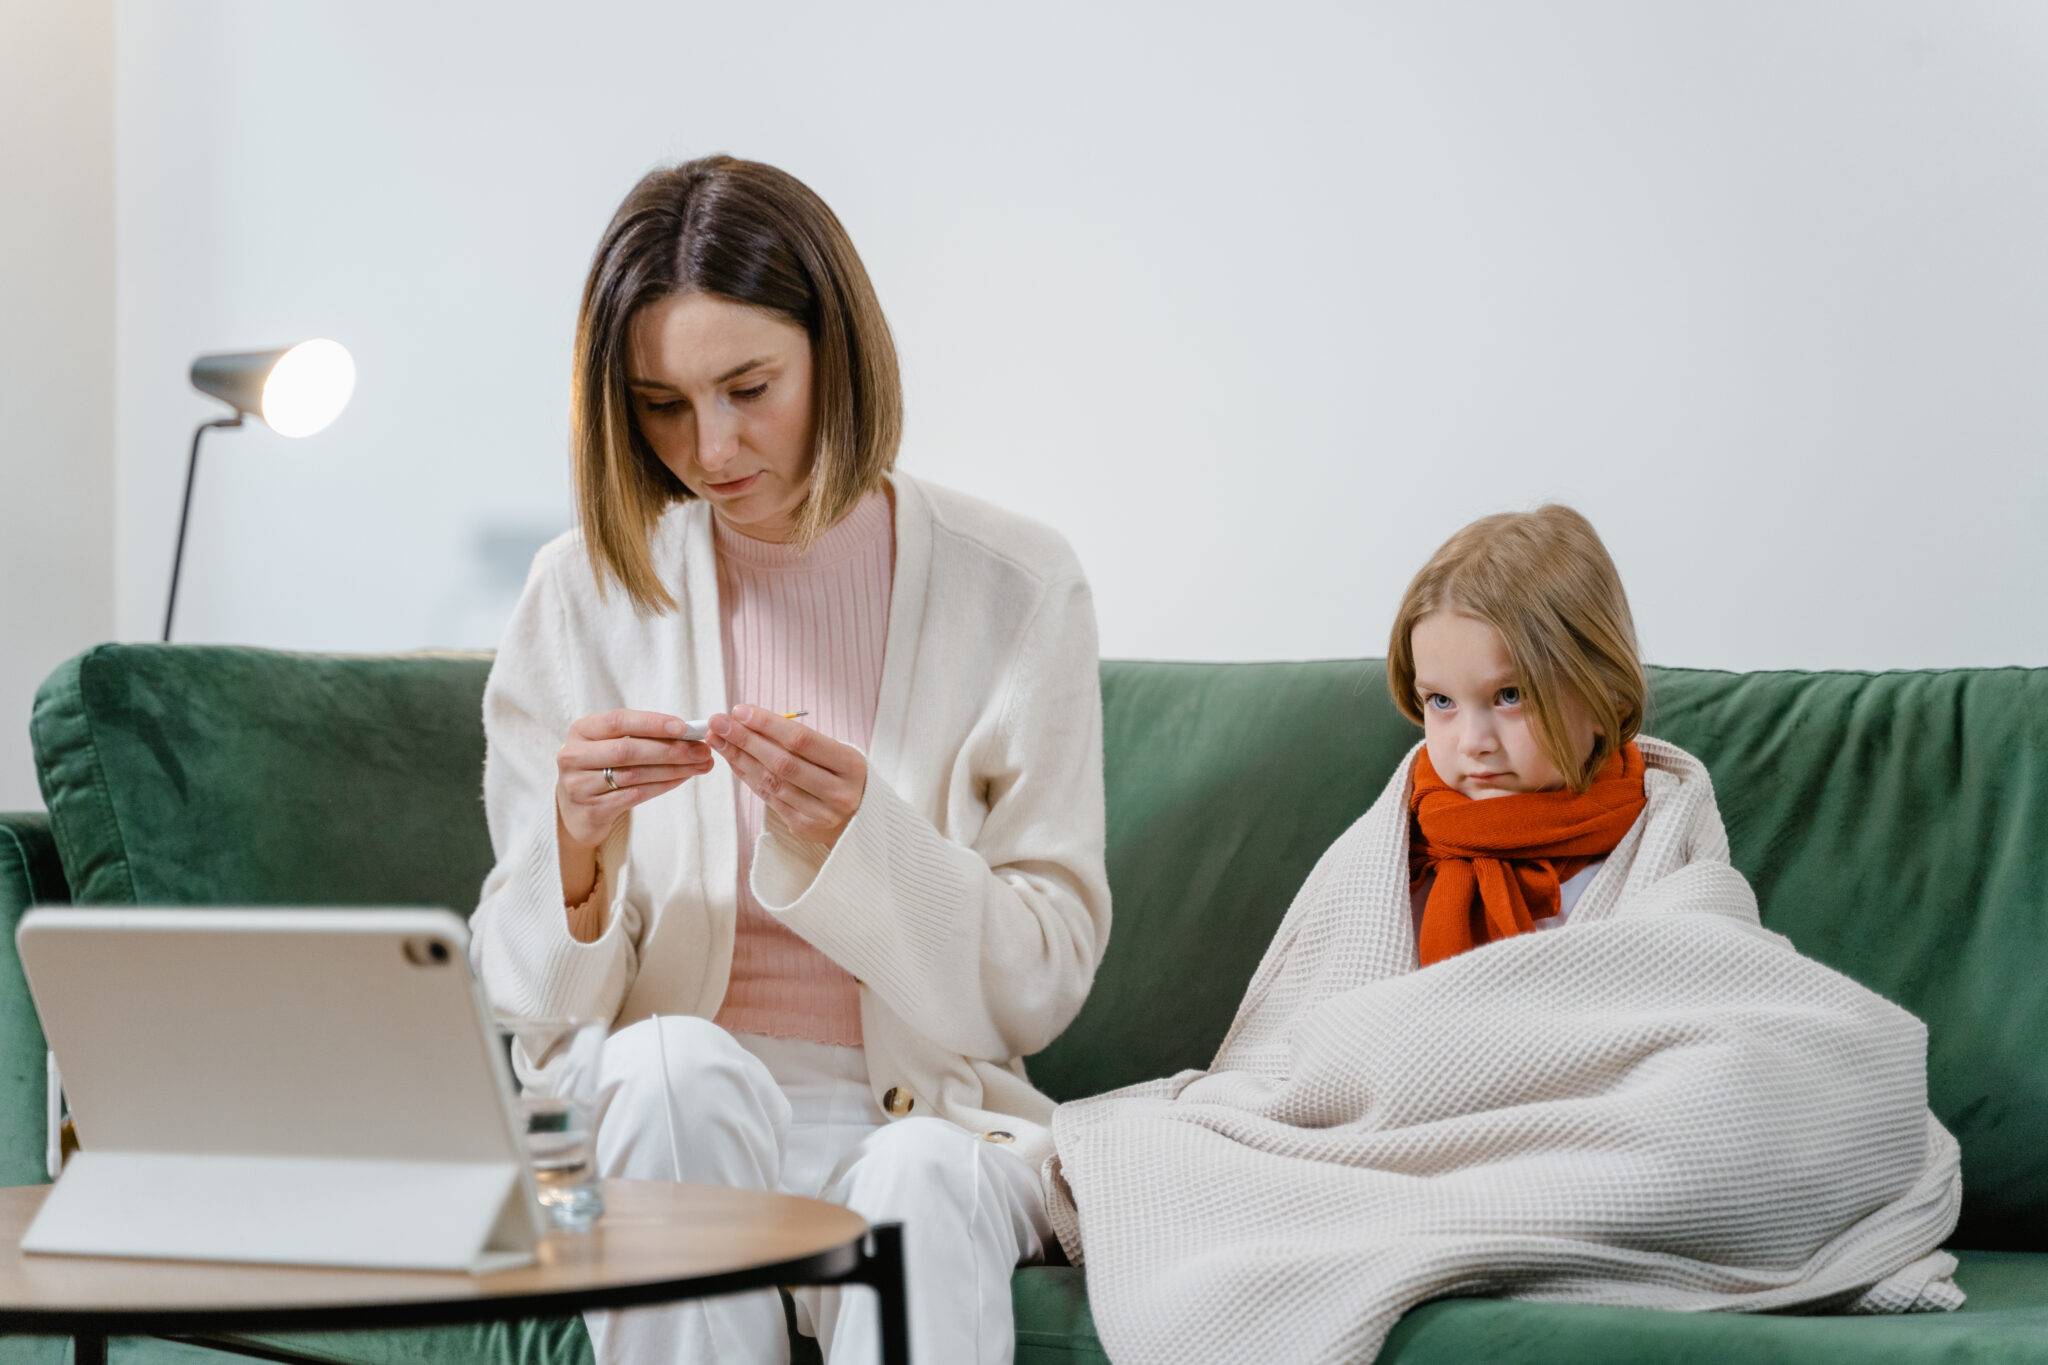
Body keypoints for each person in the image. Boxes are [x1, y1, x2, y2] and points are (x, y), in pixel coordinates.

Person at [1045, 505, 1961, 1363]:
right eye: (1440, 702)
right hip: (1397, 1132)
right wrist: (1401, 1051)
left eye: (1509, 696)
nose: (1470, 739)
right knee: (1187, 1135)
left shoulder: (1663, 820)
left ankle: (1480, 1210)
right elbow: (1308, 1036)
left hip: (1576, 1129)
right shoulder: (1398, 834)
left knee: (1740, 1087)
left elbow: (1704, 993)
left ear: (1599, 692)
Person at [468, 154, 1110, 1365]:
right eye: (660, 404)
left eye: (747, 387)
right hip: (673, 1112)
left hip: (931, 1115)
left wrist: (870, 845)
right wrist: (576, 857)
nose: (708, 448)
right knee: (662, 1069)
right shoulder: (583, 594)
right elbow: (534, 1012)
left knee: (921, 1175)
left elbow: (1042, 985)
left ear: (837, 352)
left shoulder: (1015, 587)